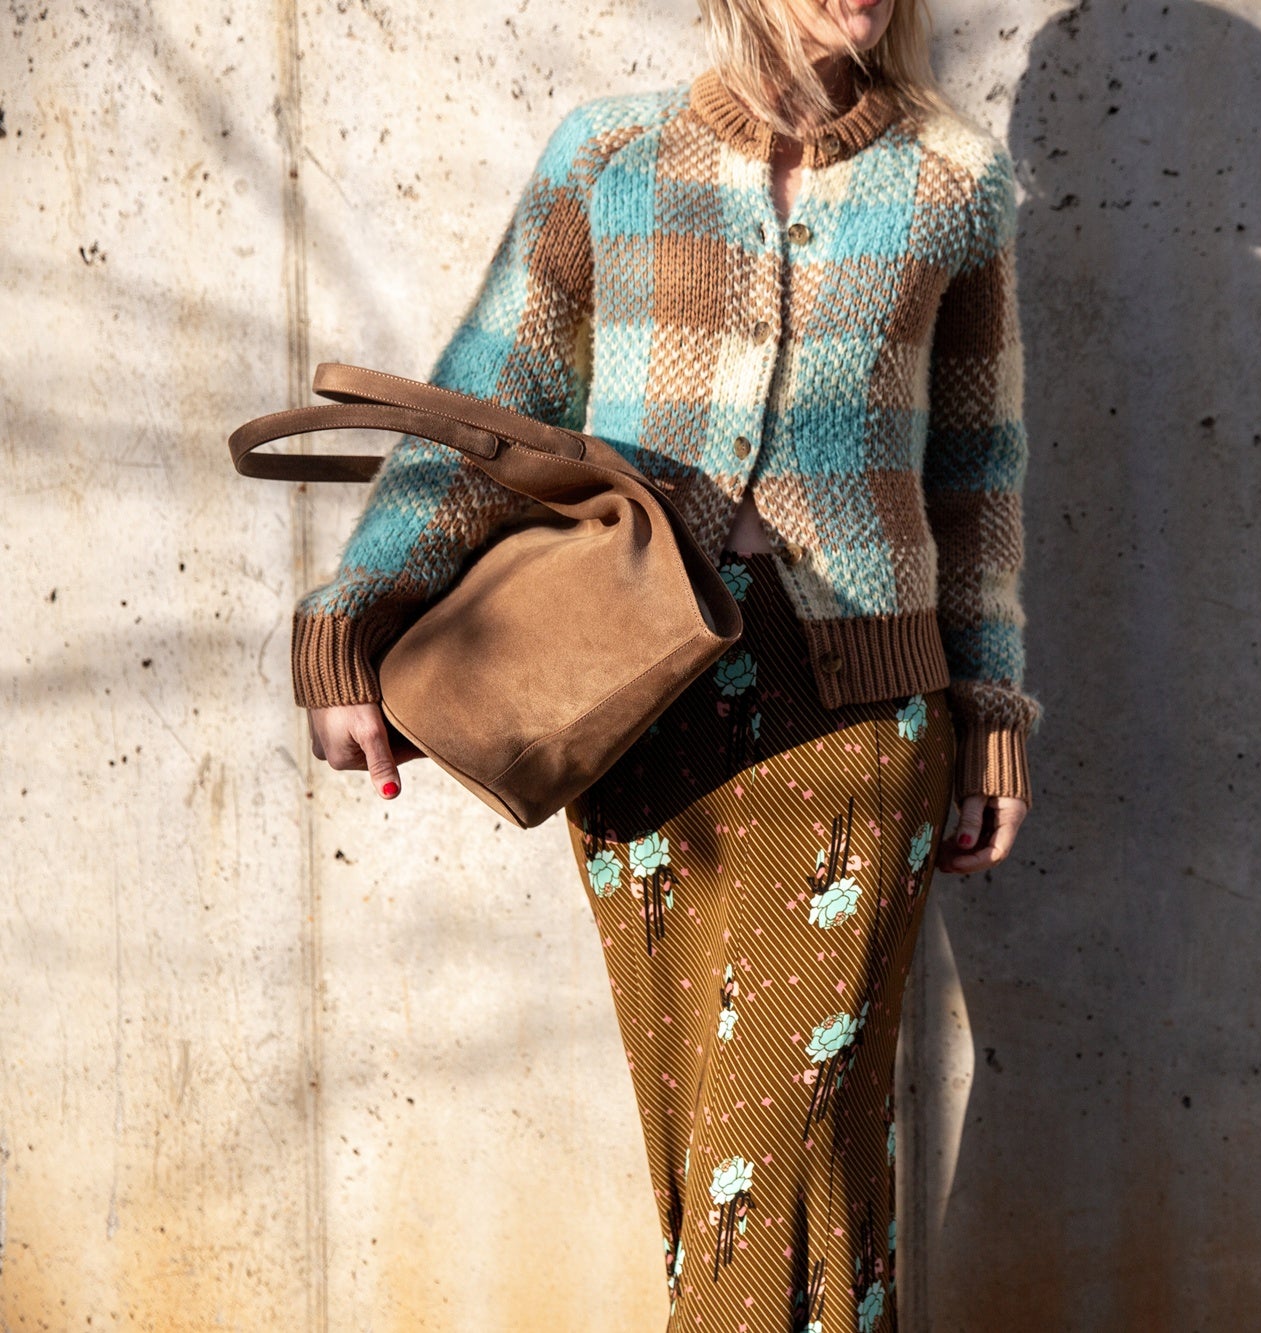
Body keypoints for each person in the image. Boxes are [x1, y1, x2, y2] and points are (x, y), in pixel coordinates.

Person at [289, 0, 1039, 1321]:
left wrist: (989, 719)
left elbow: (980, 479)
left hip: (854, 729)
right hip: (637, 719)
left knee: (777, 1154)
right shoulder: (608, 160)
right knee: (720, 1169)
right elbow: (490, 406)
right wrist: (358, 615)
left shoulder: (954, 183)